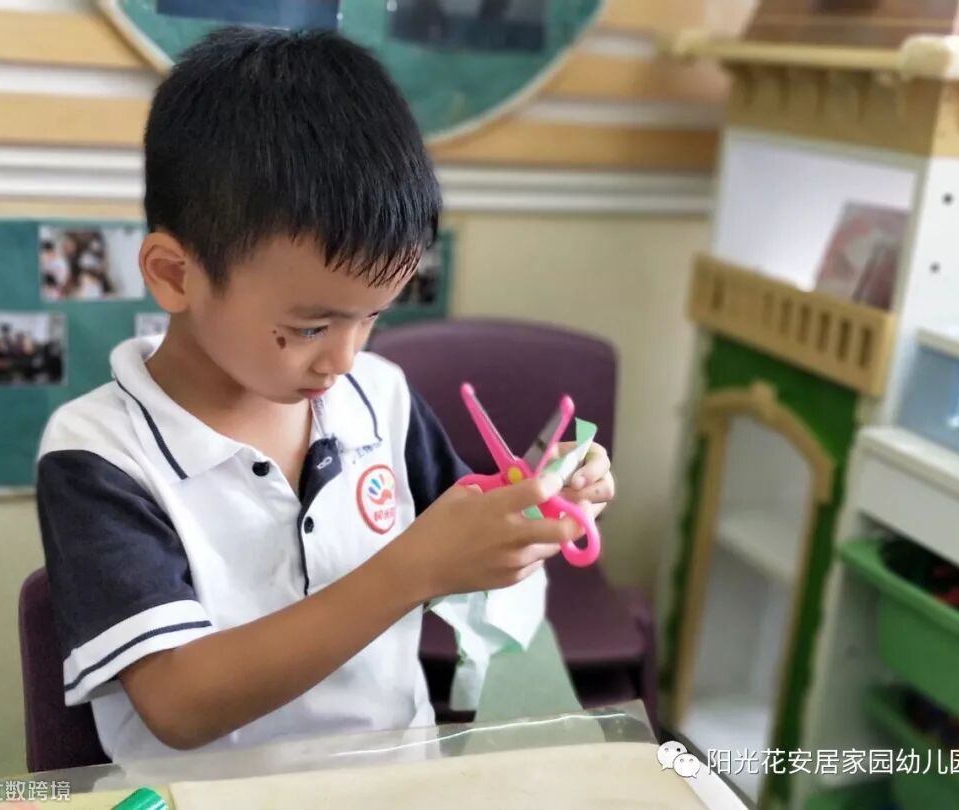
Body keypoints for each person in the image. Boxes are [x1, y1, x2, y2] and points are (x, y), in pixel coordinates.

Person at [35, 28, 615, 763]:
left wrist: (537, 503)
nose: (344, 358)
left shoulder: (381, 396)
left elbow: (464, 537)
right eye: (309, 327)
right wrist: (413, 568)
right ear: (176, 275)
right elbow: (178, 703)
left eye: (372, 317)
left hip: (400, 780)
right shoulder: (100, 453)